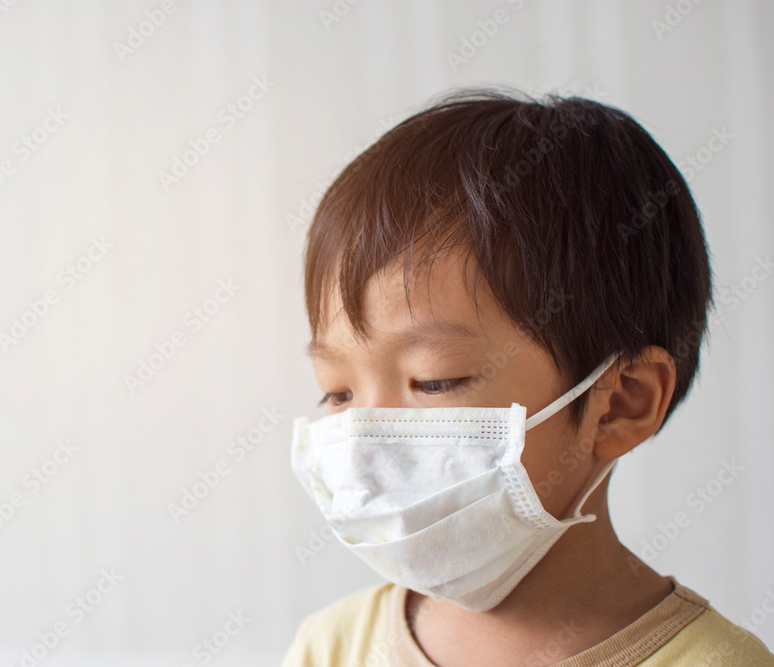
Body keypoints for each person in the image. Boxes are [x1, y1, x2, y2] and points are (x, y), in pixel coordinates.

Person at [282, 87, 774, 666]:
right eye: (337, 392)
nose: (366, 439)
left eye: (434, 380)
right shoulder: (332, 646)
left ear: (620, 403)